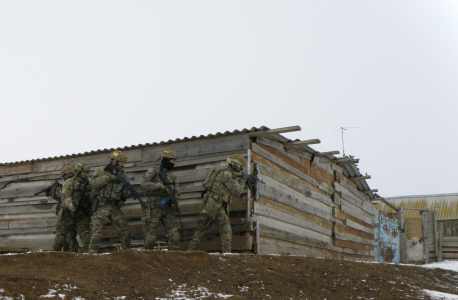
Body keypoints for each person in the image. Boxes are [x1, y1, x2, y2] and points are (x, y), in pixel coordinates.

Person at [188, 154, 246, 253]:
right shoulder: (227, 175)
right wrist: (243, 181)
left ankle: (190, 252)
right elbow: (237, 191)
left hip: (210, 205)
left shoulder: (221, 172)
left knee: (201, 230)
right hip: (216, 206)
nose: (241, 169)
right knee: (226, 230)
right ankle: (226, 254)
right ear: (234, 164)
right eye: (240, 166)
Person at [88, 151, 132, 254]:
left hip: (115, 206)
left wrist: (126, 192)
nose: (123, 165)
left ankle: (127, 253)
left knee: (125, 232)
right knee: (97, 232)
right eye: (121, 162)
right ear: (114, 162)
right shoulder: (101, 171)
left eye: (123, 162)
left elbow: (125, 192)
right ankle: (91, 254)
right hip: (102, 206)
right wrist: (108, 178)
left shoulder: (123, 175)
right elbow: (93, 184)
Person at [141, 150, 181, 250]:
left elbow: (176, 192)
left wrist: (175, 203)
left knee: (174, 235)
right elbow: (144, 184)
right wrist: (160, 186)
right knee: (151, 236)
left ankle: (174, 256)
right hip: (154, 206)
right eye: (172, 161)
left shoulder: (172, 176)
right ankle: (146, 256)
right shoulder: (153, 171)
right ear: (165, 160)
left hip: (167, 207)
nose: (174, 163)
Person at [62, 163, 93, 253]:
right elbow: (66, 197)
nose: (86, 174)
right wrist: (72, 207)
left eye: (87, 172)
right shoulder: (70, 182)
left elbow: (92, 196)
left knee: (87, 237)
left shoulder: (88, 184)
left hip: (82, 214)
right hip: (69, 214)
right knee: (70, 238)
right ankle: (73, 257)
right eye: (84, 172)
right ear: (78, 173)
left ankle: (89, 255)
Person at [52, 166, 78, 252]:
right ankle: (71, 253)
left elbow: (66, 198)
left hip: (67, 213)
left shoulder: (69, 183)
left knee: (62, 234)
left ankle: (55, 253)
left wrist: (60, 192)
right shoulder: (76, 182)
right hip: (73, 212)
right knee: (70, 236)